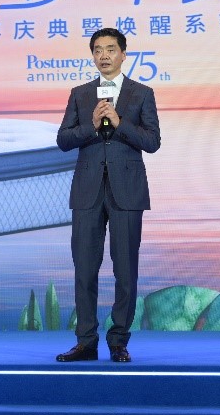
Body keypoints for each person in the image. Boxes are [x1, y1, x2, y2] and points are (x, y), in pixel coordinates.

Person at [54, 27, 161, 363]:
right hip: (87, 192)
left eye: (111, 49)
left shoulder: (142, 93)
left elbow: (152, 142)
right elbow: (64, 140)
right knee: (84, 270)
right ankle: (86, 342)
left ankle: (118, 341)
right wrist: (91, 124)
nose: (104, 56)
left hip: (127, 191)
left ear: (123, 54)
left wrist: (119, 122)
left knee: (125, 270)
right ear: (92, 55)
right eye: (98, 50)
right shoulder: (80, 94)